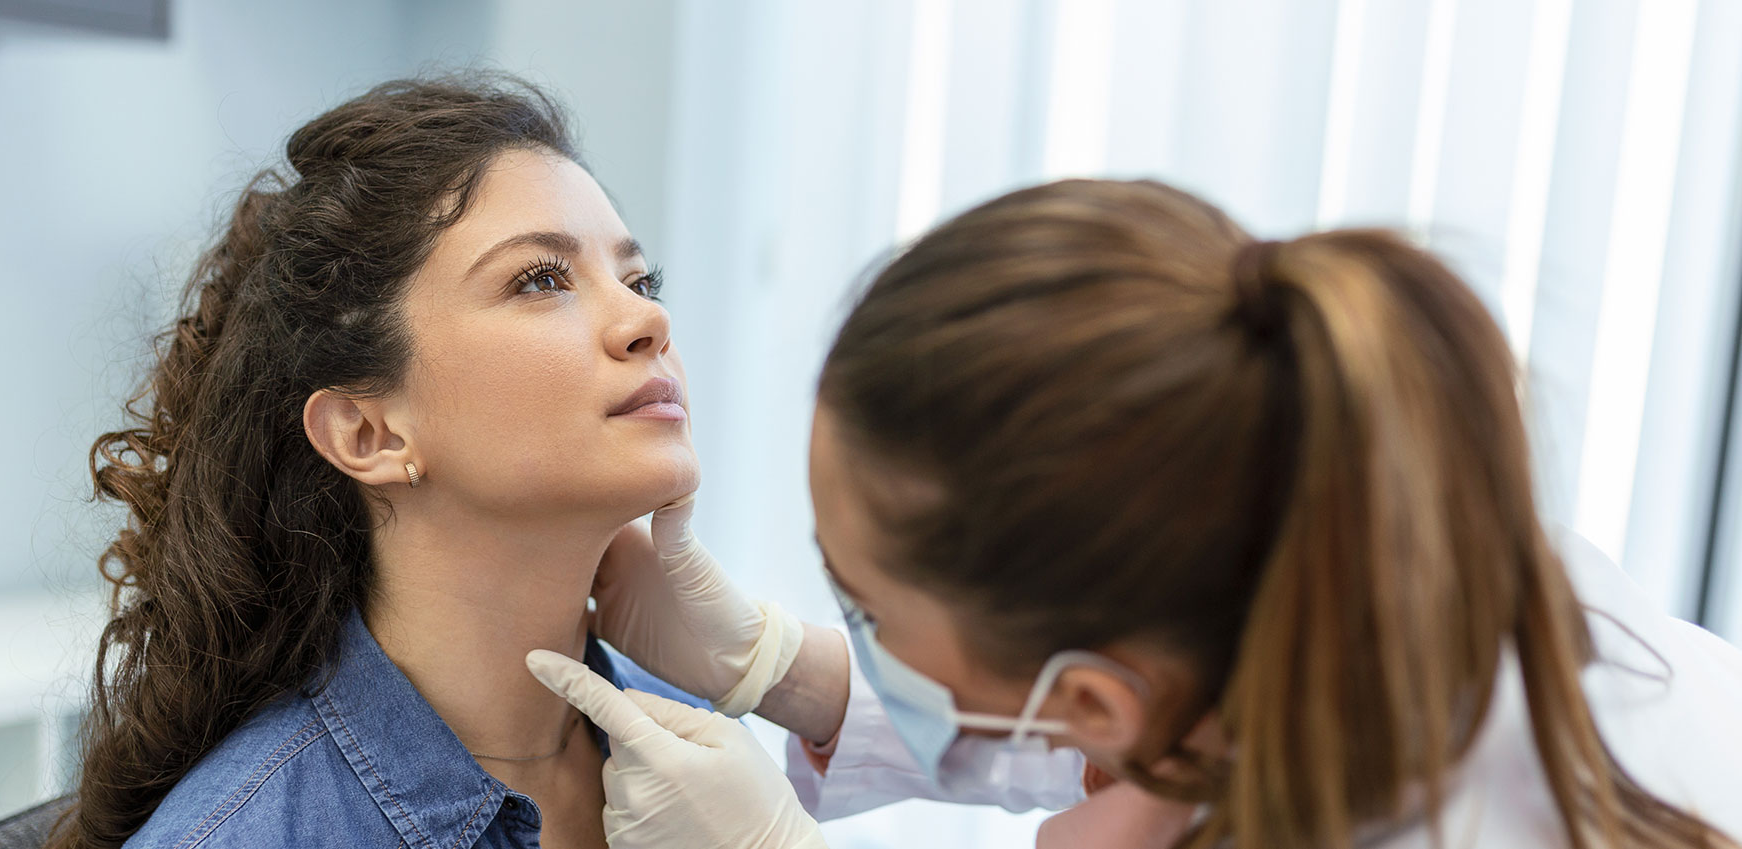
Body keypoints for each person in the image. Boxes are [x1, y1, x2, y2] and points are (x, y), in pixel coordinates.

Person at [528, 178, 1742, 848]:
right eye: (536, 278)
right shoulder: (1384, 552)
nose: (644, 322)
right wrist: (795, 674)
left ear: (1097, 700)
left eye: (872, 611)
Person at [53, 74, 727, 849]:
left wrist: (779, 677)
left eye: (640, 279)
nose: (649, 317)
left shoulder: (699, 749)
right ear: (368, 432)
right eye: (541, 278)